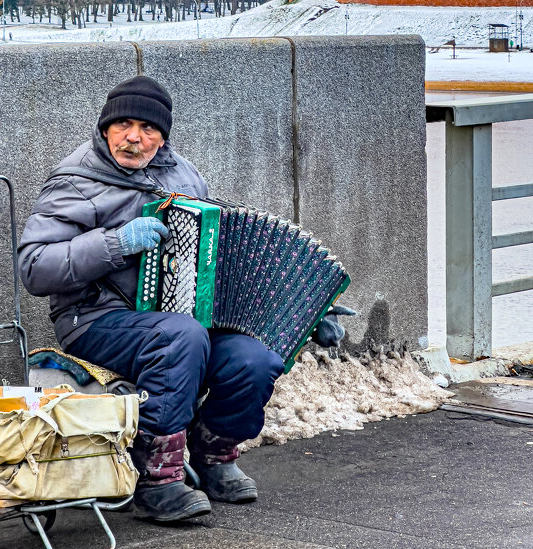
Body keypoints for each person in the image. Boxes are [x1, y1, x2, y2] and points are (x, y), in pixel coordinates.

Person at [18, 75, 346, 523]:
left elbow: (222, 254)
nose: (134, 137)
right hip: (95, 319)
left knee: (255, 358)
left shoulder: (183, 174)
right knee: (181, 337)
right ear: (105, 128)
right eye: (124, 125)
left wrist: (303, 308)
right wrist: (115, 243)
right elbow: (34, 266)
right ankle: (157, 478)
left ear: (163, 136)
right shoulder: (75, 181)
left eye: (148, 129)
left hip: (180, 320)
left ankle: (214, 456)